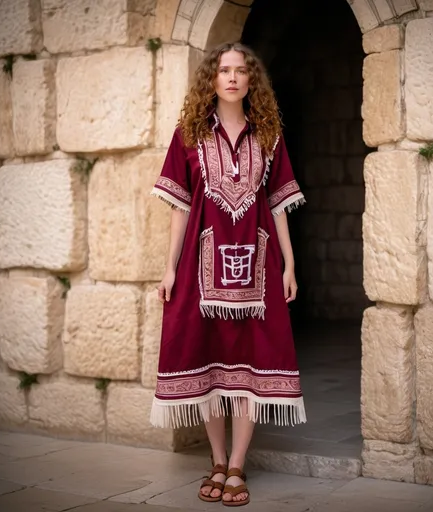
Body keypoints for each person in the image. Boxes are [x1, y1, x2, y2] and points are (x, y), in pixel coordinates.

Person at [150, 41, 306, 507]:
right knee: (211, 369)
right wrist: (169, 267)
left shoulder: (269, 136)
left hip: (258, 272)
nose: (233, 77)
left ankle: (237, 465)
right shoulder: (189, 134)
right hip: (201, 272)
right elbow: (180, 209)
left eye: (241, 71)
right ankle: (217, 460)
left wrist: (290, 263)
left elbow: (278, 205)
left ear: (251, 80)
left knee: (248, 370)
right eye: (224, 71)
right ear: (212, 80)